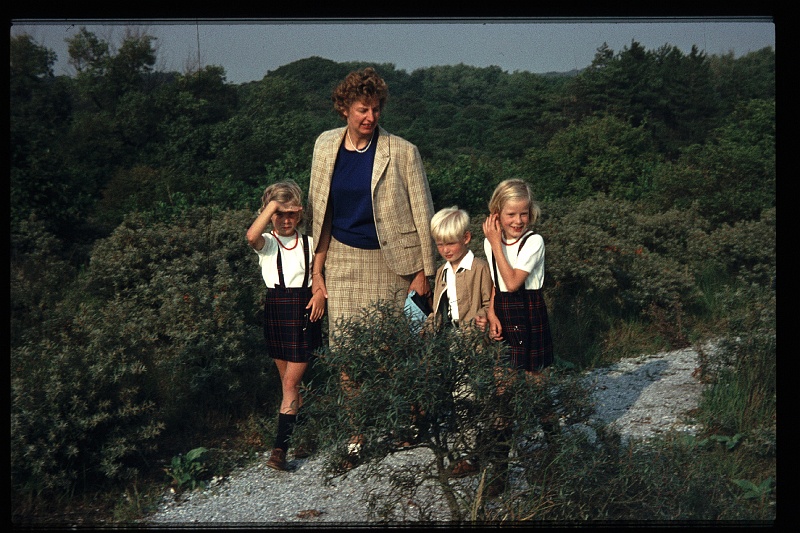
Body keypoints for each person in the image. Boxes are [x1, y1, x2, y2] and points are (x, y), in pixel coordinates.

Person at [306, 67, 437, 468]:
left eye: (377, 110)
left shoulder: (402, 151)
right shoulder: (325, 145)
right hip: (342, 259)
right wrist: (317, 272)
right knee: (346, 355)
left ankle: (409, 422)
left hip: (395, 262)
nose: (370, 117)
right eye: (363, 109)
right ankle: (356, 439)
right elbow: (319, 214)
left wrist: (424, 273)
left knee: (398, 348)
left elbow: (423, 210)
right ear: (344, 108)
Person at [480, 178, 554, 495]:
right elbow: (497, 285)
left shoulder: (533, 242)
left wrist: (495, 243)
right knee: (502, 390)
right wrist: (492, 313)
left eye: (523, 214)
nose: (518, 221)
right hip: (505, 312)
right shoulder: (490, 242)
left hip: (529, 310)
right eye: (511, 214)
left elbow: (513, 282)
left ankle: (556, 452)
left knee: (536, 385)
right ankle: (499, 470)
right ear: (497, 213)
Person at [246, 180, 326, 472]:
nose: (286, 219)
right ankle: (303, 433)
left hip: (303, 311)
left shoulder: (310, 242)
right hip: (276, 310)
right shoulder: (267, 243)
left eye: (292, 213)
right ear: (271, 214)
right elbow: (250, 235)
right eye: (280, 214)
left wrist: (319, 293)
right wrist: (273, 206)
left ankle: (279, 450)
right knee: (288, 386)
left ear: (300, 214)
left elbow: (320, 274)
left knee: (291, 384)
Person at [427, 206, 493, 334]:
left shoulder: (480, 268)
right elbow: (438, 308)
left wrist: (482, 316)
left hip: (473, 337)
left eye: (451, 243)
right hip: (447, 336)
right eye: (440, 244)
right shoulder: (442, 272)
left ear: (466, 238)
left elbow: (490, 303)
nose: (445, 250)